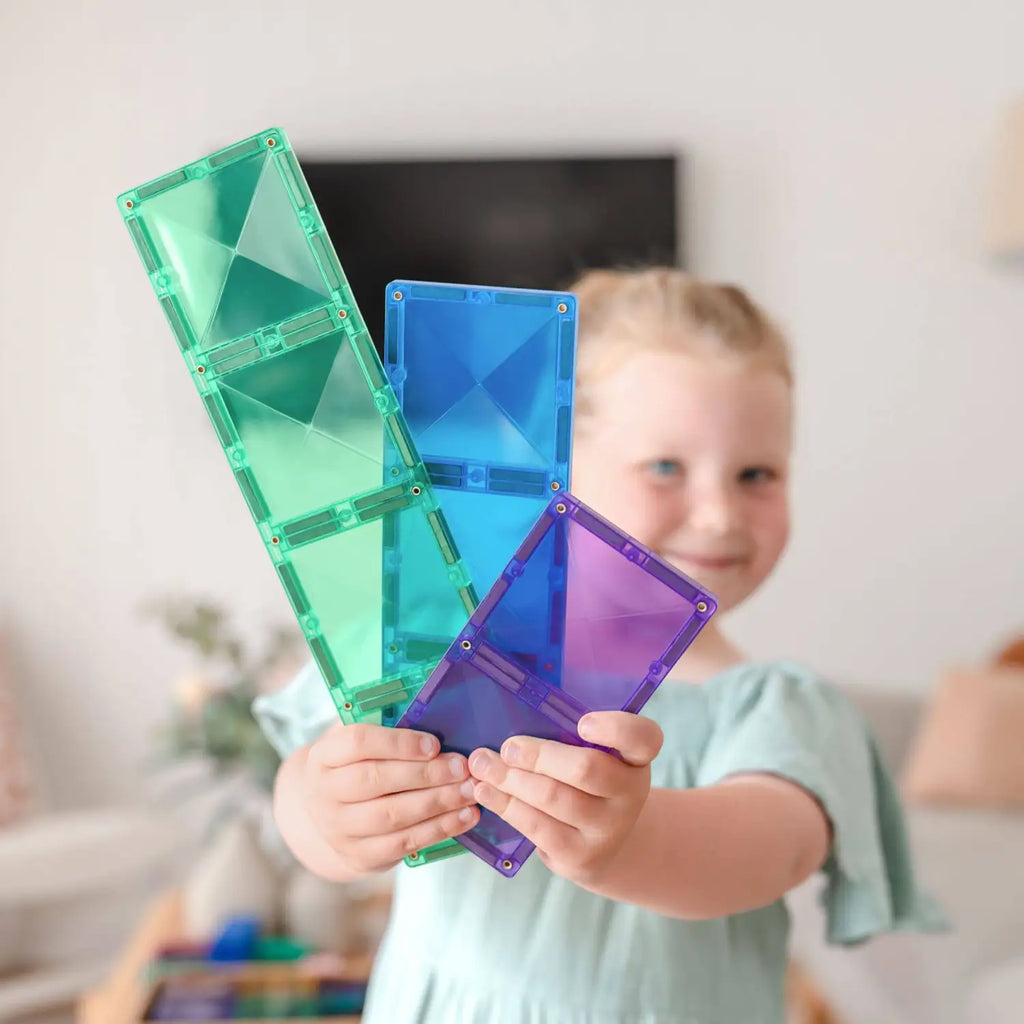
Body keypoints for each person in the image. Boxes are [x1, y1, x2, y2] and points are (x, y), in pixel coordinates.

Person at [255, 267, 941, 1024]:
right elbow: (304, 793)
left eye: (757, 474)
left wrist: (630, 840)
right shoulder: (442, 646)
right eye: (666, 468)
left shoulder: (780, 706)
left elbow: (769, 849)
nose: (718, 514)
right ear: (560, 472)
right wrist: (326, 816)